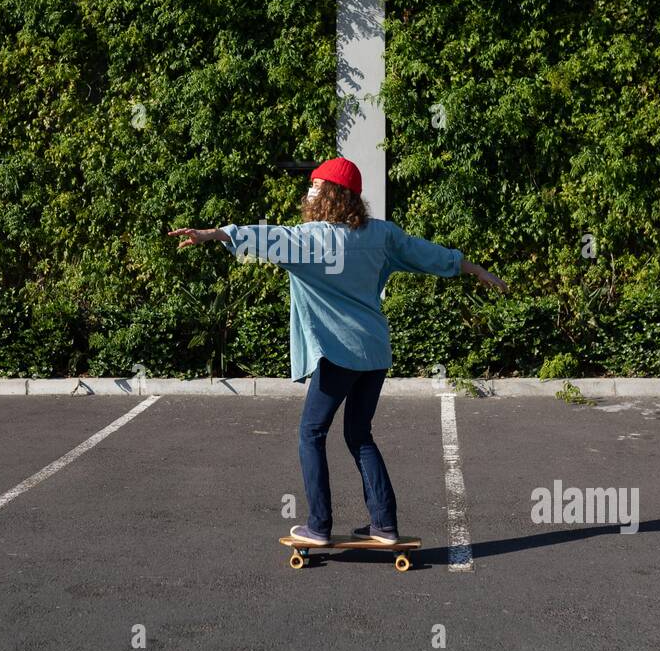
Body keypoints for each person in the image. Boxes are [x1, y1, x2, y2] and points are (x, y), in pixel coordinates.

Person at [169, 157, 506, 546]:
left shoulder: (306, 239)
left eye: (313, 188)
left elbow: (257, 235)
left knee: (311, 433)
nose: (307, 195)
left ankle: (319, 526)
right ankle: (384, 525)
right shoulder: (381, 235)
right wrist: (477, 269)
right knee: (359, 434)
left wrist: (210, 234)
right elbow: (427, 253)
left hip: (339, 354)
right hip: (375, 352)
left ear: (325, 194)